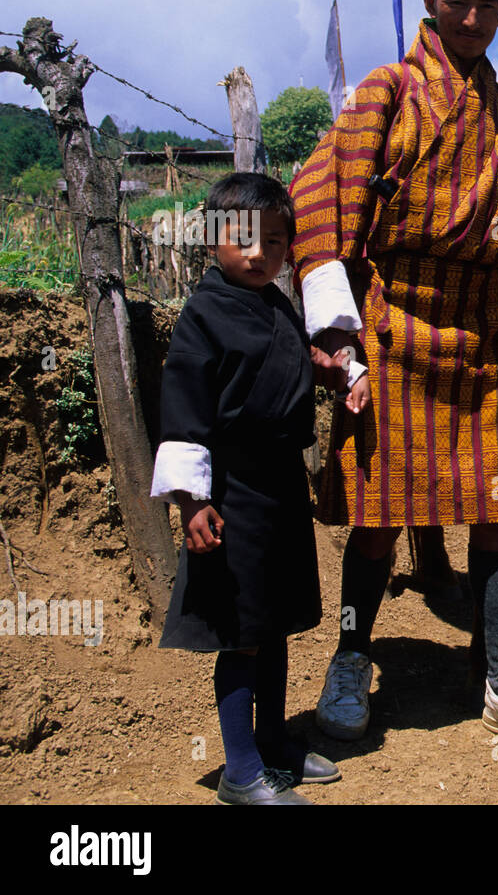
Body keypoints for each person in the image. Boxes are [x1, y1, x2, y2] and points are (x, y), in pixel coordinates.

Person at [290, 0, 498, 755]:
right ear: (431, 0)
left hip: (480, 335)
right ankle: (351, 661)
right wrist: (336, 329)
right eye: (459, 2)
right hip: (394, 325)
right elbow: (324, 192)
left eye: (488, 6)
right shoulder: (386, 93)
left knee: (495, 512)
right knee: (380, 520)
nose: (473, 19)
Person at [151, 172, 358, 804]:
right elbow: (184, 410)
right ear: (212, 240)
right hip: (231, 489)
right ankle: (240, 771)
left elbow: (291, 368)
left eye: (274, 241)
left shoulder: (275, 306)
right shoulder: (203, 316)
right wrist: (193, 500)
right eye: (242, 239)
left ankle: (274, 745)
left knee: (274, 623)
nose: (259, 253)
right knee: (241, 629)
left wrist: (333, 371)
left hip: (280, 487)